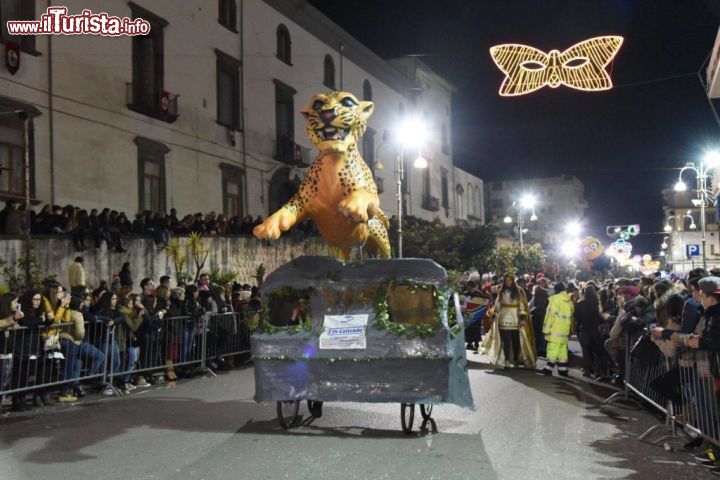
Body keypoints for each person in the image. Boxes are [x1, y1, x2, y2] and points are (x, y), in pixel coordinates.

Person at [481, 273, 535, 368]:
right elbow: (497, 305)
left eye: (509, 280)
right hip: (503, 318)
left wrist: (522, 318)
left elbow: (522, 306)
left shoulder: (518, 291)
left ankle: (515, 359)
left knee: (516, 340)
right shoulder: (501, 291)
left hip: (515, 318)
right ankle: (506, 360)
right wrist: (493, 313)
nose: (508, 282)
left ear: (512, 281)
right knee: (505, 340)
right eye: (506, 281)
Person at [529, 284, 549, 359]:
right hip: (541, 316)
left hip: (539, 317)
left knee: (539, 333)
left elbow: (538, 307)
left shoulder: (539, 296)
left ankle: (541, 349)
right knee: (541, 333)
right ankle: (540, 348)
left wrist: (530, 311)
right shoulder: (543, 295)